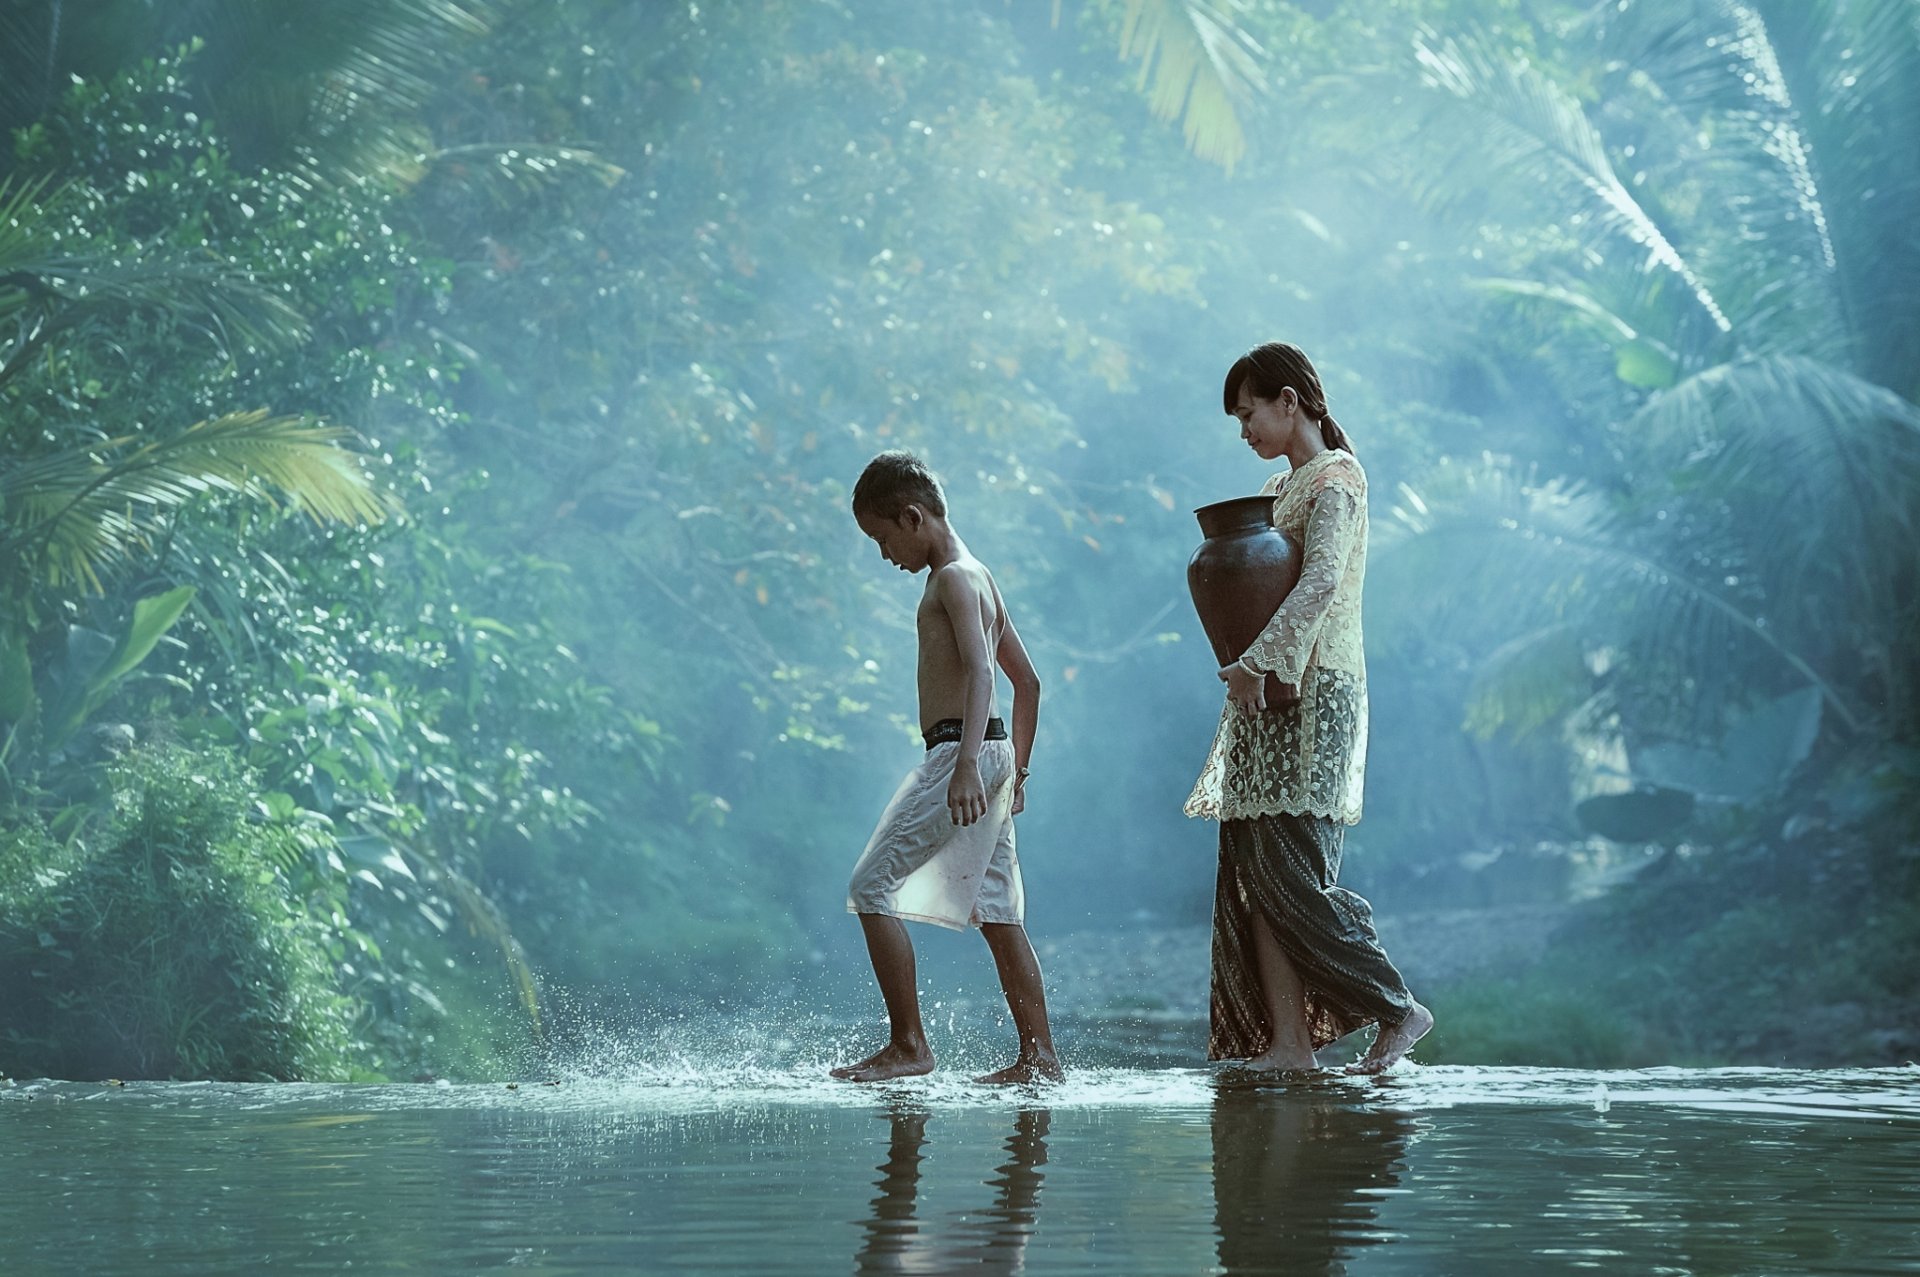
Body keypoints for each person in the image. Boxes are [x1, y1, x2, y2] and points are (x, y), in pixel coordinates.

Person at [1187, 341, 1433, 1074]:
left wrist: (1258, 660)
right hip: (1265, 691)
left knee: (1295, 872)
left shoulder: (1338, 480)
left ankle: (1396, 1004)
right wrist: (1252, 667)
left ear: (1289, 400)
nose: (1245, 429)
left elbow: (1321, 581)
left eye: (1250, 411)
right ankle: (1290, 1045)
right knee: (1256, 870)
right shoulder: (1280, 486)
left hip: (1317, 692)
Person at [834, 450, 1063, 1084]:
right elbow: (1032, 684)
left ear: (912, 517)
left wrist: (966, 766)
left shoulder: (955, 580)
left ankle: (909, 1046)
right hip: (989, 753)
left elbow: (988, 673)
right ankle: (1039, 1057)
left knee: (870, 887)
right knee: (998, 910)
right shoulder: (980, 575)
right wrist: (1015, 767)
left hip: (960, 752)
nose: (885, 555)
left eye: (883, 538)